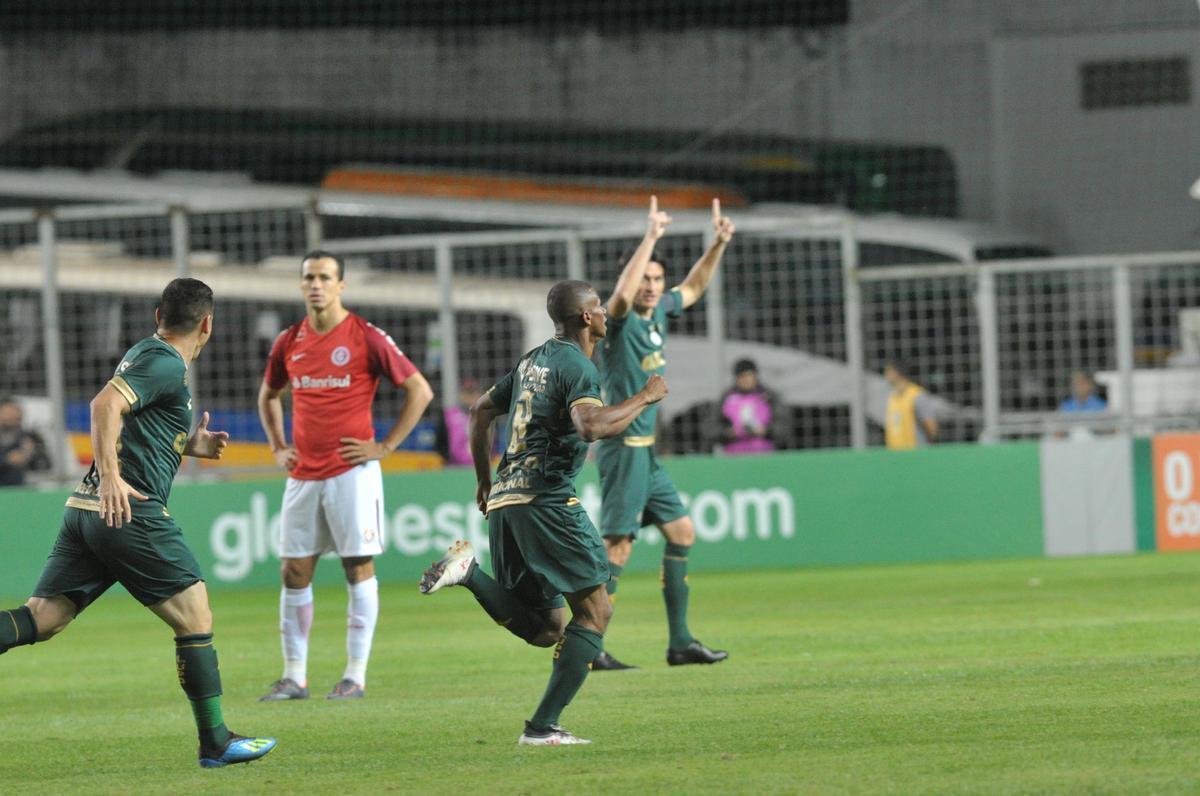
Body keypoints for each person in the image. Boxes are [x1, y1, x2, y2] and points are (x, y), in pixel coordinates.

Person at [0, 278, 276, 768]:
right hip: (128, 509)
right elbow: (104, 405)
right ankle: (216, 742)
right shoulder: (164, 361)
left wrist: (190, 444)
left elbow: (134, 423)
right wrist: (111, 477)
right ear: (208, 325)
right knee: (196, 618)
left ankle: (216, 742)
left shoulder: (146, 355)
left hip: (85, 510)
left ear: (158, 316)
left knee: (43, 619)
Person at [418, 280, 668, 745]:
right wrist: (644, 398)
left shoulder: (532, 360)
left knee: (547, 628)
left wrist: (484, 481)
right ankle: (541, 727)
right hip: (546, 500)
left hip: (506, 502)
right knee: (596, 612)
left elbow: (479, 411)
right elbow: (590, 426)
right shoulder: (578, 366)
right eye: (599, 307)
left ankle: (469, 573)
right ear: (587, 317)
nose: (605, 312)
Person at [257, 251, 433, 702]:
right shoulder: (289, 341)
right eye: (309, 278)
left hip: (352, 472)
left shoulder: (365, 336)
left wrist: (386, 446)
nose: (316, 285)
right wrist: (277, 446)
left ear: (341, 286)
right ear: (301, 285)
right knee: (294, 570)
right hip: (303, 473)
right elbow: (269, 395)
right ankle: (294, 677)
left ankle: (355, 675)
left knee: (357, 566)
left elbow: (419, 390)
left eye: (324, 277)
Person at [591, 196, 732, 671]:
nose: (652, 287)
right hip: (622, 449)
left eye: (657, 279)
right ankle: (588, 648)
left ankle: (680, 643)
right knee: (617, 548)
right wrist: (651, 235)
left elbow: (693, 287)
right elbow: (621, 297)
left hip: (647, 453)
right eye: (645, 278)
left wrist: (717, 244)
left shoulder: (658, 313)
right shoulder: (619, 320)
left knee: (682, 531)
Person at [715, 358, 788, 454]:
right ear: (736, 378)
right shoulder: (727, 397)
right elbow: (710, 428)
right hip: (734, 455)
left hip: (764, 453)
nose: (746, 380)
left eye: (750, 375)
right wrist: (729, 433)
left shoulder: (769, 396)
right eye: (742, 376)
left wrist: (766, 431)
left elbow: (784, 426)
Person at [883, 359, 938, 450]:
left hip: (916, 453)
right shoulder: (892, 397)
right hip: (895, 454)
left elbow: (932, 428)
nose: (885, 374)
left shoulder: (917, 395)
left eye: (888, 371)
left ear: (897, 373)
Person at [0, 396, 51, 486]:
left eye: (15, 414)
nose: (11, 417)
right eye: (7, 414)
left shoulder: (30, 437)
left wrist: (29, 455)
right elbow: (9, 459)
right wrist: (7, 459)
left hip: (19, 487)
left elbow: (45, 464)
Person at [434, 378, 484, 466]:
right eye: (468, 393)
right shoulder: (449, 415)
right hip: (454, 467)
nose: (471, 397)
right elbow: (439, 441)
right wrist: (448, 458)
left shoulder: (487, 416)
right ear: (461, 395)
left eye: (474, 393)